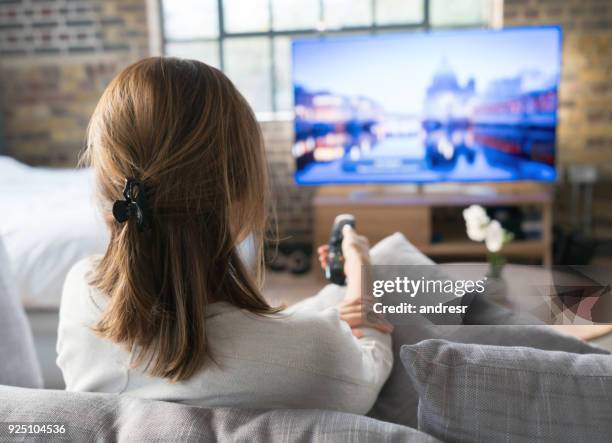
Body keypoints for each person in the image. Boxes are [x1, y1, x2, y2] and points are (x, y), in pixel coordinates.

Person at [57, 57, 393, 415]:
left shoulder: (82, 292)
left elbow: (252, 335)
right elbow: (367, 369)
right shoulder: (315, 355)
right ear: (240, 190)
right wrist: (361, 268)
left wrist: (326, 308)